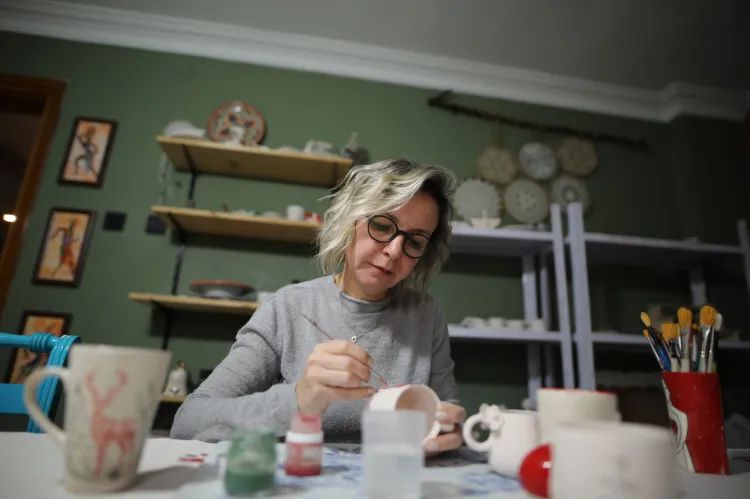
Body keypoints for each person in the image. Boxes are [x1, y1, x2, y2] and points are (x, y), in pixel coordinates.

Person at [171, 158, 466, 456]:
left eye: (415, 242)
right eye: (381, 225)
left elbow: (445, 413)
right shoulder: (287, 308)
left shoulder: (427, 315)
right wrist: (298, 400)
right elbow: (189, 421)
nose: (394, 251)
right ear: (350, 220)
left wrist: (447, 432)